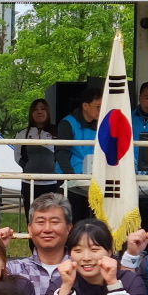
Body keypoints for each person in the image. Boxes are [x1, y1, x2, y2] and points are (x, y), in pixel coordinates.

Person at [57, 82, 102, 220]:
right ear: (85, 106)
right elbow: (61, 153)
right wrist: (71, 178)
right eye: (98, 106)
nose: (102, 110)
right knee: (72, 219)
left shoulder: (102, 124)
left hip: (94, 180)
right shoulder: (68, 123)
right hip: (70, 181)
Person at [15, 98, 62, 211]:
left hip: (53, 182)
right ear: (31, 113)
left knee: (52, 214)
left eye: (43, 109)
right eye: (35, 109)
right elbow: (17, 156)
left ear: (48, 112)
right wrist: (28, 167)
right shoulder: (22, 133)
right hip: (29, 182)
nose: (39, 112)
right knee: (31, 215)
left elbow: (62, 153)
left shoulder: (57, 131)